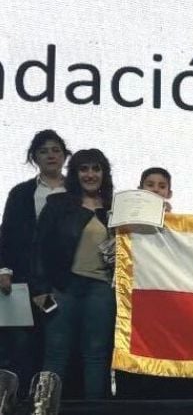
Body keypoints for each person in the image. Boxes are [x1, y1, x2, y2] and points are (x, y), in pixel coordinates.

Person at [30, 149, 116, 399]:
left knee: (97, 354)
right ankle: (43, 407)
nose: (90, 174)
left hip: (100, 290)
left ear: (104, 173)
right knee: (56, 352)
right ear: (75, 173)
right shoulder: (58, 204)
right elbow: (39, 248)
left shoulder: (116, 209)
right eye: (84, 169)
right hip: (62, 288)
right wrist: (40, 291)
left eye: (96, 168)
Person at [0, 129, 71, 398]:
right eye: (44, 151)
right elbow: (8, 234)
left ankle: (50, 400)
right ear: (34, 158)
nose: (51, 155)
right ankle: (15, 402)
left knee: (55, 344)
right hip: (23, 279)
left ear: (64, 156)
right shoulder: (21, 192)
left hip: (63, 280)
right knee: (21, 344)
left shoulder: (75, 189)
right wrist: (4, 270)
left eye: (56, 150)